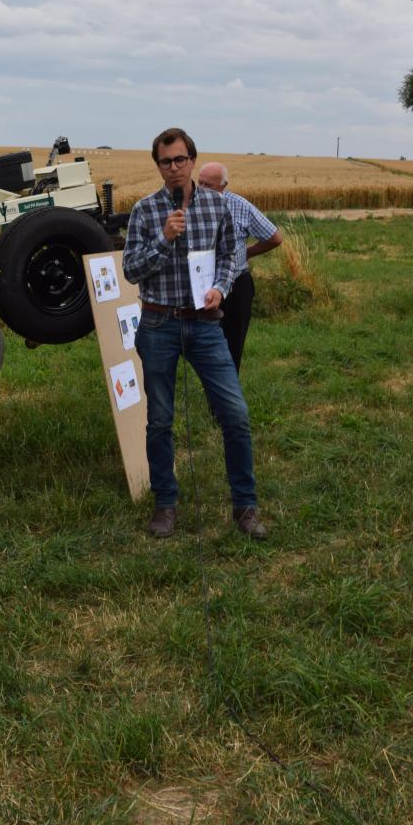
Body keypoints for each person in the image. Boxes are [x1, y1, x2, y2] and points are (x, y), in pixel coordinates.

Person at [122, 128, 267, 540]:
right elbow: (131, 270)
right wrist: (164, 239)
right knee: (160, 421)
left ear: (192, 160)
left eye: (180, 159)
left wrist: (220, 286)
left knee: (235, 414)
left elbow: (229, 257)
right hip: (158, 324)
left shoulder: (218, 207)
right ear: (158, 165)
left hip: (205, 326)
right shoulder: (144, 211)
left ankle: (245, 507)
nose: (173, 168)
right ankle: (166, 505)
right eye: (165, 161)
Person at [197, 163, 282, 373]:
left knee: (232, 348)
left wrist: (247, 253)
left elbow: (275, 237)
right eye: (199, 183)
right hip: (202, 289)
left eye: (208, 185)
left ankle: (225, 400)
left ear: (223, 186)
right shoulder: (189, 206)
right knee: (203, 349)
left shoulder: (240, 206)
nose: (202, 189)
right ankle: (212, 395)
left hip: (236, 288)